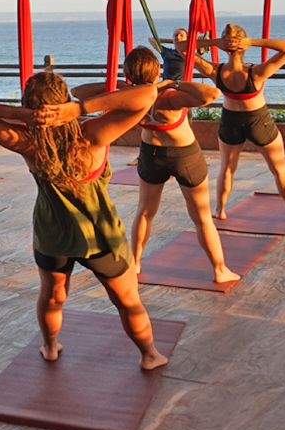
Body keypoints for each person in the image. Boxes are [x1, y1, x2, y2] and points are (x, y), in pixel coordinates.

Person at [0, 71, 169, 370]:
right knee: (128, 301)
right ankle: (149, 355)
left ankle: (50, 347)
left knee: (52, 297)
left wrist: (18, 114)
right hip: (101, 237)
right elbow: (147, 94)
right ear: (64, 100)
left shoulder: (25, 142)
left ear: (29, 105)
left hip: (53, 237)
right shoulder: (92, 135)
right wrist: (79, 109)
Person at [74, 48, 238, 283]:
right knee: (201, 216)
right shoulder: (168, 97)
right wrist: (173, 84)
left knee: (145, 212)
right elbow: (210, 94)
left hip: (151, 154)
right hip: (185, 156)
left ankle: (136, 263)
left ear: (128, 71)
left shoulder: (129, 98)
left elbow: (78, 93)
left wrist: (120, 85)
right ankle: (220, 270)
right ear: (157, 70)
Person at [183, 25, 285, 225]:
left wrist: (214, 44)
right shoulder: (256, 72)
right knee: (279, 168)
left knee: (227, 169)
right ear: (243, 46)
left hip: (230, 121)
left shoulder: (215, 70)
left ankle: (220, 210)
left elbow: (181, 47)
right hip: (258, 121)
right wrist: (253, 42)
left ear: (225, 48)